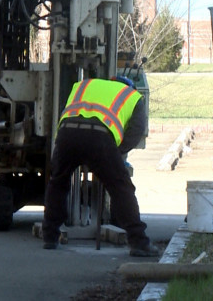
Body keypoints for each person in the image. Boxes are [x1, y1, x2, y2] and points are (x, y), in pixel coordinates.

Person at [42, 76, 160, 257]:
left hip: (67, 134)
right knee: (121, 187)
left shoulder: (84, 85)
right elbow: (136, 131)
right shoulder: (133, 96)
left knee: (58, 182)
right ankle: (139, 242)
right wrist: (117, 152)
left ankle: (49, 236)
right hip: (100, 139)